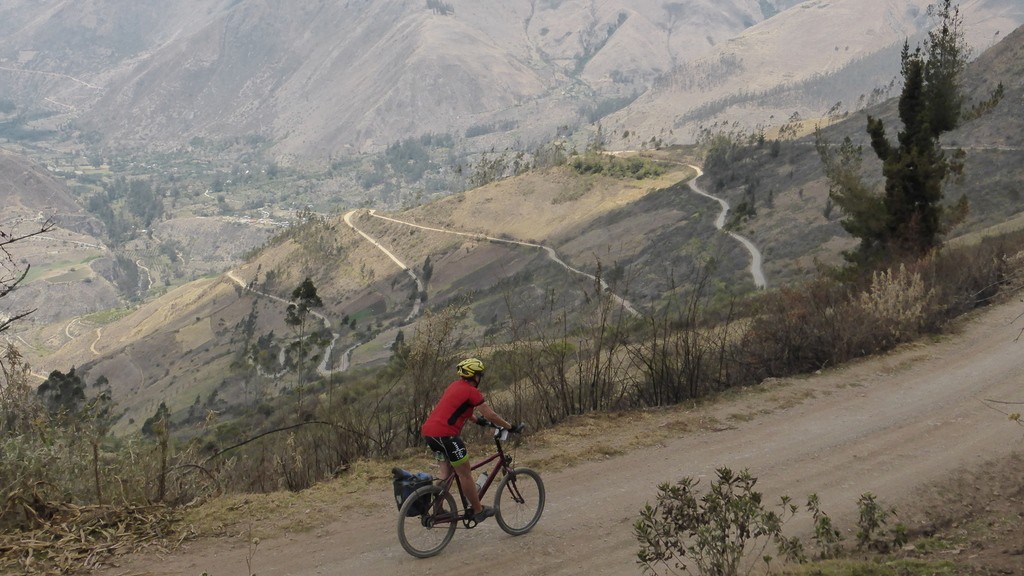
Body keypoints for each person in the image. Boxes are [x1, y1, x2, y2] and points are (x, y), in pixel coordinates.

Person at [421, 357, 522, 523]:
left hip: (431, 434)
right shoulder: (472, 391)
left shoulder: (455, 386)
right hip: (446, 436)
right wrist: (510, 427)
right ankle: (478, 511)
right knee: (465, 474)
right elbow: (491, 414)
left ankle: (437, 509)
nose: (480, 378)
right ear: (474, 376)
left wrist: (480, 421)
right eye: (479, 375)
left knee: (446, 474)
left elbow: (460, 409)